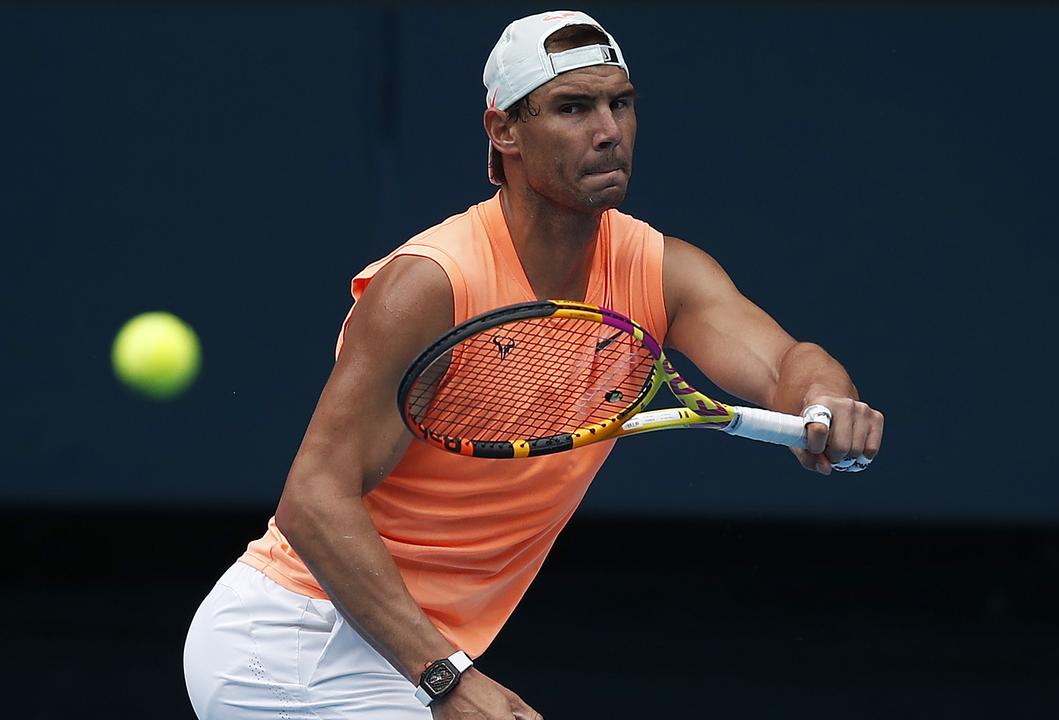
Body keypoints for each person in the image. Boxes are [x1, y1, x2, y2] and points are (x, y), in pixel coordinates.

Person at [184, 10, 884, 720]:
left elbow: (785, 363)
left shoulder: (661, 272)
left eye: (621, 103)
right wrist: (447, 679)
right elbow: (313, 499)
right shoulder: (431, 285)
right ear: (504, 131)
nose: (608, 130)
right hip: (294, 643)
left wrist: (826, 398)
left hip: (406, 651)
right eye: (574, 108)